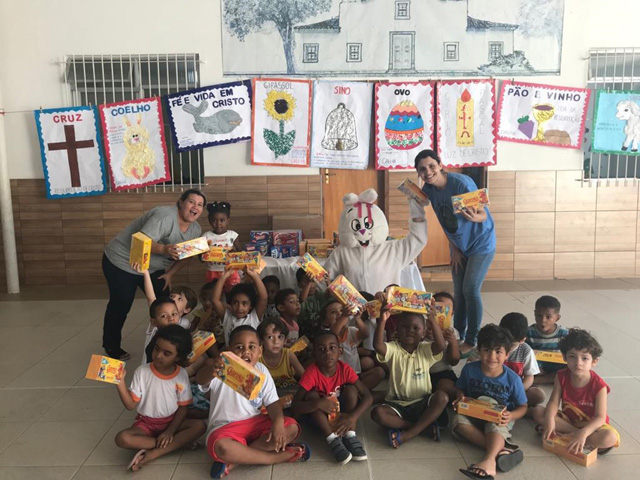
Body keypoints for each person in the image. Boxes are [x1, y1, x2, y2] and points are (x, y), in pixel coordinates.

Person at [102, 189, 206, 360]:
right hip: (122, 261)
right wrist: (164, 249)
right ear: (181, 203)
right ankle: (111, 345)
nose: (195, 207)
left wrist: (170, 274)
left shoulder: (195, 229)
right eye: (191, 202)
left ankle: (167, 341)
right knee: (121, 303)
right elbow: (140, 241)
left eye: (200, 205)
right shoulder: (165, 217)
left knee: (165, 302)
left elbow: (188, 256)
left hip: (152, 267)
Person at [196, 326, 310, 478]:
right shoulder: (222, 368)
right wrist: (213, 369)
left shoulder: (262, 370)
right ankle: (274, 458)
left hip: (254, 424)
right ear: (229, 350)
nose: (246, 351)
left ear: (260, 351)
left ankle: (237, 460)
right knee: (222, 447)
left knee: (291, 427)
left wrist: (278, 423)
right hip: (225, 428)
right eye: (239, 347)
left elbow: (272, 403)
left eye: (251, 347)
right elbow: (200, 380)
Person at [416, 150, 495, 355]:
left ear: (440, 165)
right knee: (459, 292)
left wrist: (474, 217)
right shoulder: (429, 190)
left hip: (481, 244)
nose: (428, 172)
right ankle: (459, 333)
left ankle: (472, 340)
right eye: (422, 169)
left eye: (431, 166)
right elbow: (445, 223)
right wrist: (455, 249)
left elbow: (483, 215)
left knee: (470, 289)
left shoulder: (461, 184)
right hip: (460, 246)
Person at [114, 325, 206, 471]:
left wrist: (170, 431)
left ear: (178, 357)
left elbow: (183, 408)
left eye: (166, 353)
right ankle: (175, 444)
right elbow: (130, 405)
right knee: (122, 438)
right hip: (145, 424)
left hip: (172, 422)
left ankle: (154, 453)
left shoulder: (181, 374)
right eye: (157, 349)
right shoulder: (142, 372)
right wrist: (120, 383)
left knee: (200, 426)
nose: (158, 356)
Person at [453, 324, 527, 480]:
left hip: (499, 418)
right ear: (479, 350)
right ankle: (503, 450)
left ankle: (489, 460)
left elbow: (523, 406)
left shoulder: (513, 379)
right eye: (487, 350)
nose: (492, 356)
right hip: (475, 413)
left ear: (507, 355)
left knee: (494, 426)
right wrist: (460, 397)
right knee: (458, 422)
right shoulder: (469, 370)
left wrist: (511, 416)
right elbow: (459, 388)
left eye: (498, 352)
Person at [532, 328, 620, 455]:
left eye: (584, 358)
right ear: (564, 357)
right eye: (572, 357)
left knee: (609, 437)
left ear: (594, 361)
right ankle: (576, 436)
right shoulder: (561, 376)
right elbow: (553, 402)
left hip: (592, 427)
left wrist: (584, 432)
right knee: (538, 411)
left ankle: (574, 436)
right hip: (569, 421)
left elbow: (600, 418)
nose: (578, 363)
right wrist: (550, 419)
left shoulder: (600, 386)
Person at [371, 307, 448, 448]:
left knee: (442, 397)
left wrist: (432, 320)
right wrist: (382, 320)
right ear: (397, 330)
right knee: (378, 413)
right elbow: (377, 345)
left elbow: (441, 345)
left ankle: (408, 434)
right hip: (397, 404)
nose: (410, 330)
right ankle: (421, 428)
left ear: (423, 333)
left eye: (415, 328)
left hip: (422, 402)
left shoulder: (425, 349)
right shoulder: (393, 349)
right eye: (405, 327)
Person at [291, 330, 372, 465]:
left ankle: (350, 434)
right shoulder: (311, 373)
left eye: (332, 348)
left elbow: (367, 396)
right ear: (314, 354)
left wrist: (353, 417)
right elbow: (295, 405)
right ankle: (332, 439)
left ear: (340, 351)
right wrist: (317, 404)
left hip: (341, 416)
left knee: (351, 390)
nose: (327, 353)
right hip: (319, 418)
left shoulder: (345, 369)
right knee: (312, 396)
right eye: (321, 349)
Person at [468, 313, 545, 407]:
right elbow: (470, 365)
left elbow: (529, 377)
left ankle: (513, 405)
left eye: (511, 344)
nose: (506, 347)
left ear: (522, 340)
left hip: (511, 391)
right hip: (486, 387)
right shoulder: (488, 345)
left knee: (538, 394)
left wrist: (518, 391)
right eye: (503, 341)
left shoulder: (526, 351)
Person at [321, 300, 385, 391]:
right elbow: (332, 336)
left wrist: (358, 318)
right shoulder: (326, 335)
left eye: (341, 310)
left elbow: (365, 334)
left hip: (355, 374)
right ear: (325, 322)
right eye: (333, 312)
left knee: (379, 372)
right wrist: (344, 316)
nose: (339, 313)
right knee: (351, 391)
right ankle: (357, 394)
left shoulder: (350, 330)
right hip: (338, 378)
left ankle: (359, 394)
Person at [212, 268, 268, 345]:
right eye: (235, 303)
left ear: (251, 306)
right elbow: (215, 300)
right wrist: (224, 276)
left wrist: (254, 276)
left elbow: (264, 298)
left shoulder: (254, 318)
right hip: (231, 353)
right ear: (230, 303)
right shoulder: (227, 317)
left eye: (244, 303)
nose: (239, 308)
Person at [526, 295, 569, 384]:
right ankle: (547, 379)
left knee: (572, 368)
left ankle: (539, 380)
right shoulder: (529, 332)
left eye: (548, 317)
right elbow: (525, 353)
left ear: (557, 318)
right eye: (539, 315)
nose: (543, 320)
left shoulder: (564, 334)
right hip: (537, 367)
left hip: (557, 367)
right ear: (534, 314)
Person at [258, 318, 305, 395]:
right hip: (268, 396)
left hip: (290, 392)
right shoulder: (257, 356)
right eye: (270, 337)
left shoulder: (288, 355)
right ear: (261, 340)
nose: (276, 342)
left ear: (285, 340)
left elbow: (306, 377)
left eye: (280, 337)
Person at [202, 201, 242, 291]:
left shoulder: (233, 235)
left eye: (222, 220)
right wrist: (205, 254)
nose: (218, 223)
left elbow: (241, 254)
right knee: (214, 294)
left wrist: (234, 253)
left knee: (232, 293)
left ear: (228, 220)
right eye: (214, 220)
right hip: (212, 271)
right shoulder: (206, 236)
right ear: (209, 221)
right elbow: (201, 258)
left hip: (230, 271)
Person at [428, 291, 460, 402]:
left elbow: (454, 361)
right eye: (439, 306)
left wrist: (453, 342)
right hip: (418, 372)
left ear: (452, 313)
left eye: (448, 308)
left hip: (442, 372)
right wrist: (421, 337)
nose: (443, 310)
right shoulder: (420, 327)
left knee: (447, 390)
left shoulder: (452, 333)